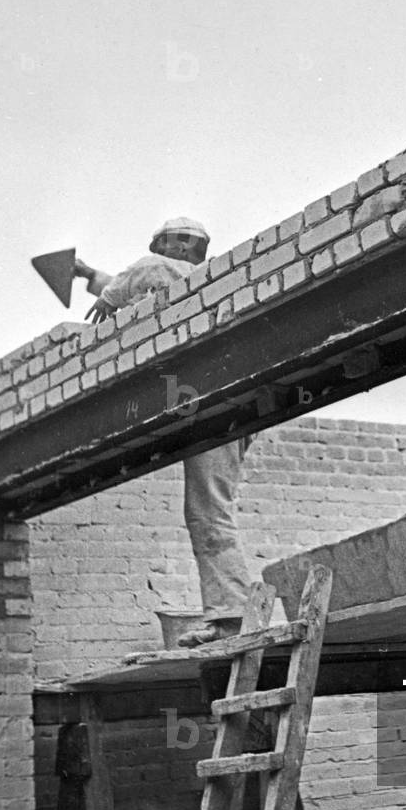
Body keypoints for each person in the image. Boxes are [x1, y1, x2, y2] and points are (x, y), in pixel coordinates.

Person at [75, 217, 254, 644]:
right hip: (227, 402)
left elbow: (141, 275)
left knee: (208, 511)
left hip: (208, 401)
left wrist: (106, 293)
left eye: (167, 245)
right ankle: (229, 612)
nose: (166, 252)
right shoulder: (193, 280)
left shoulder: (157, 268)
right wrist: (90, 276)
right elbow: (146, 286)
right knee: (210, 508)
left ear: (172, 247)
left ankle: (231, 616)